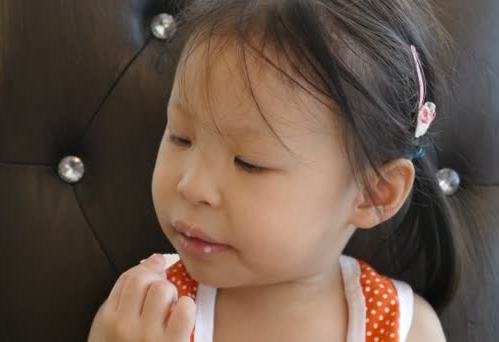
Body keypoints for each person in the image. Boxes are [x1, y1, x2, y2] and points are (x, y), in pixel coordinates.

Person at [89, 0, 458, 340]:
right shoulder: (145, 314)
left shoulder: (404, 328)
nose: (191, 185)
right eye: (181, 138)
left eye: (249, 163)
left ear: (374, 193)